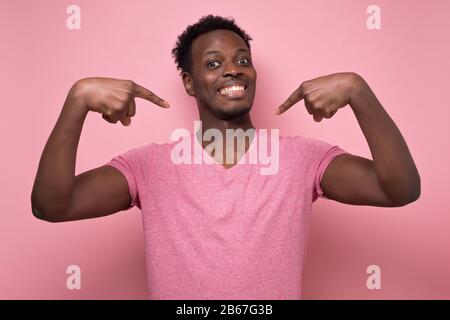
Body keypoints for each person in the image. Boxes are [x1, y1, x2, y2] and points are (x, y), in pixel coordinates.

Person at [31, 15, 420, 299]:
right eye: (213, 63)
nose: (233, 70)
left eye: (242, 59)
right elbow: (52, 205)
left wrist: (359, 92)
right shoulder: (149, 166)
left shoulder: (302, 159)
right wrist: (77, 101)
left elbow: (399, 189)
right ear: (189, 81)